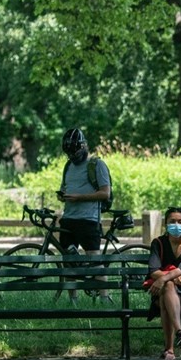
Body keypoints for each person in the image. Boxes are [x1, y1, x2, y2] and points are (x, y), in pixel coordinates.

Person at [57, 128, 112, 302]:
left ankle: (105, 297)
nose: (73, 155)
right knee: (69, 259)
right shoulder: (68, 166)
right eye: (69, 152)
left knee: (94, 258)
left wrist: (80, 197)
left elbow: (105, 193)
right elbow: (66, 187)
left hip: (88, 219)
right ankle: (73, 300)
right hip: (68, 218)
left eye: (75, 151)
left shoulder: (96, 165)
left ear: (84, 146)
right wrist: (63, 195)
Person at [145, 206, 181, 360]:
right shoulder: (158, 243)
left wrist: (163, 279)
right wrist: (169, 280)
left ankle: (169, 351)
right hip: (163, 289)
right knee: (168, 287)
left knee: (166, 293)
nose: (176, 225)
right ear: (166, 224)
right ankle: (179, 333)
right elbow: (153, 270)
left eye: (180, 221)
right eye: (172, 221)